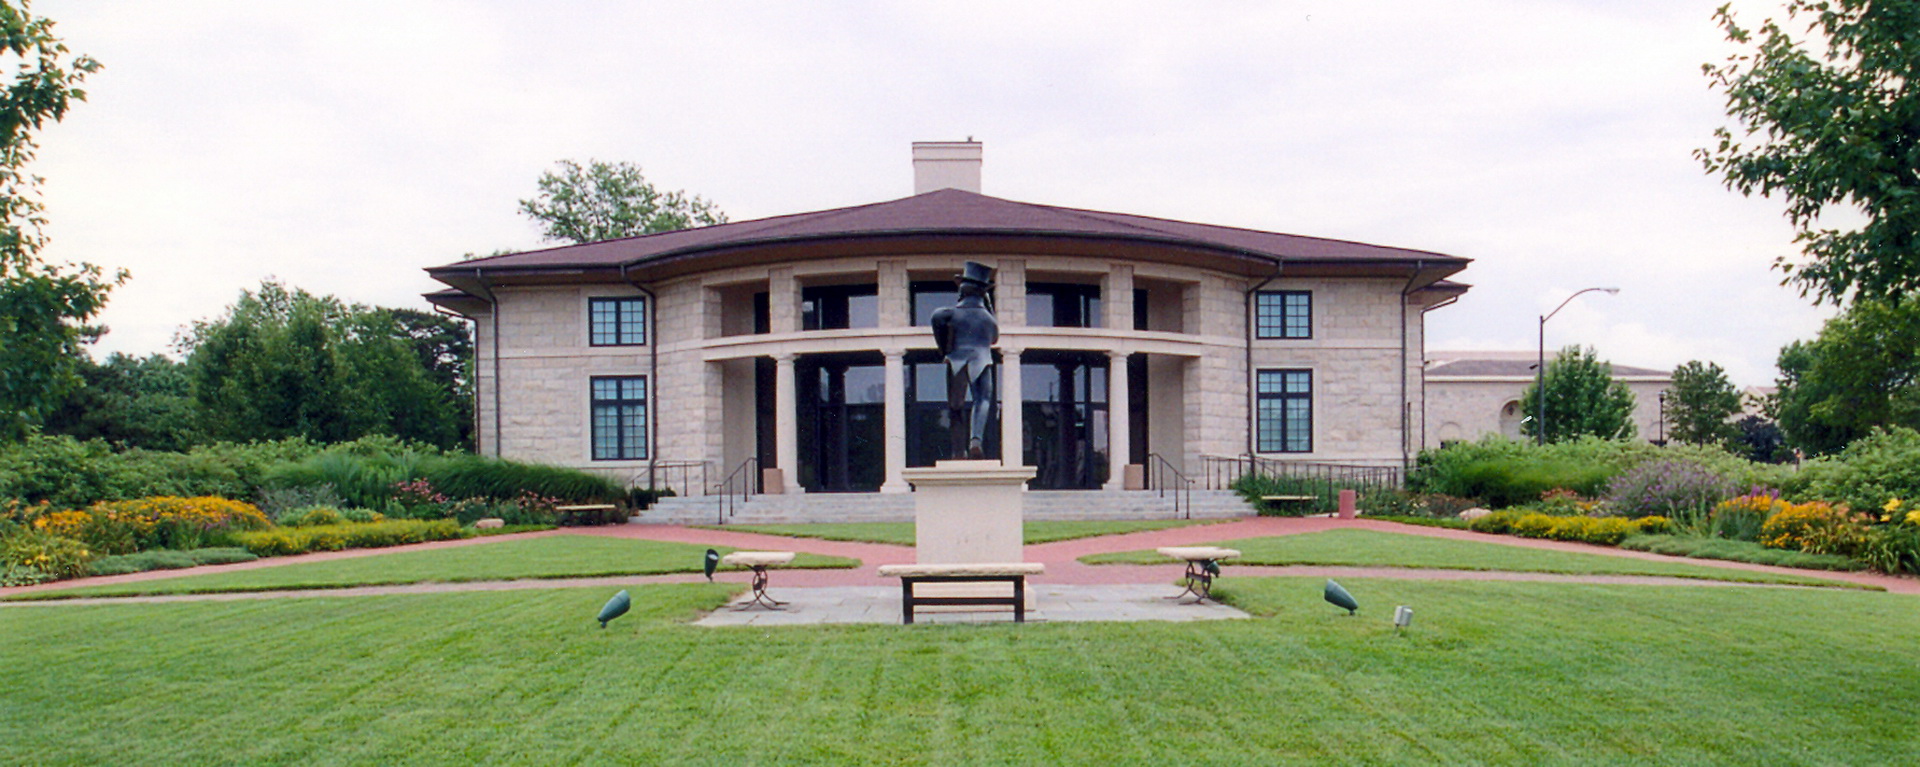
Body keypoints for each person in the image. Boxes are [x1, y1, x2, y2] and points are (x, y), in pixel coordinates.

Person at [929, 262, 998, 459]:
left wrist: (944, 349)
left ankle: (958, 450)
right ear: (982, 292)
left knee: (955, 407)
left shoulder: (948, 313)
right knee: (982, 399)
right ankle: (976, 440)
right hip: (982, 360)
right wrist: (988, 304)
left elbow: (936, 319)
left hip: (956, 360)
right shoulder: (988, 319)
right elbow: (994, 337)